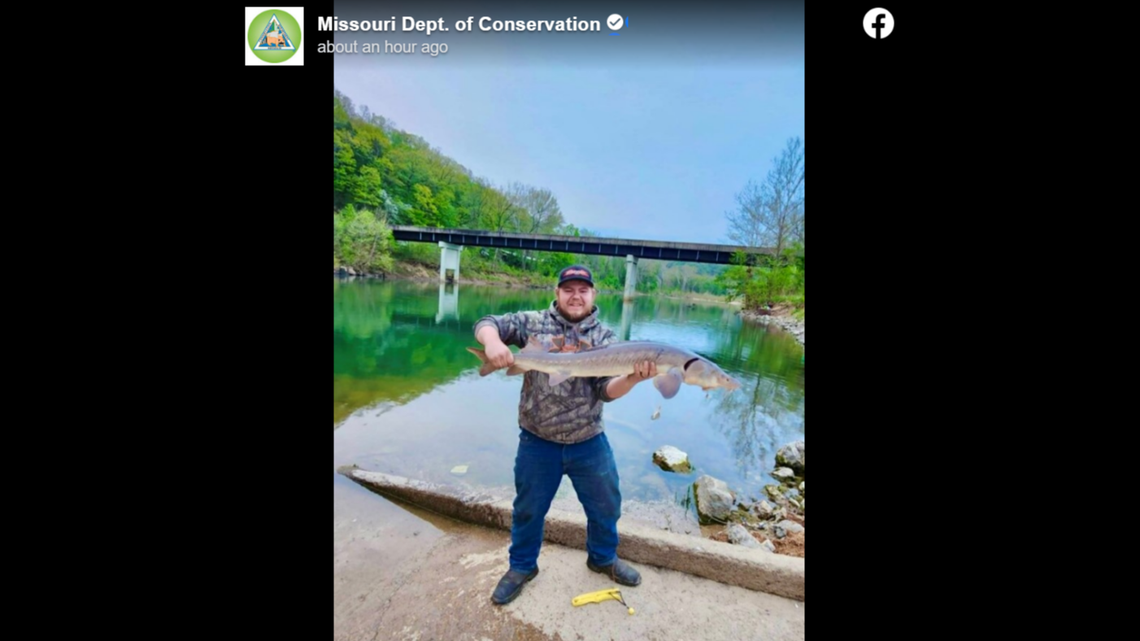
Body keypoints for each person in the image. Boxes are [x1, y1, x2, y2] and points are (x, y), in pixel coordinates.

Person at [473, 264, 658, 605]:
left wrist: (633, 378)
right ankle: (522, 566)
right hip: (537, 439)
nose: (576, 296)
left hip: (588, 439)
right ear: (557, 292)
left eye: (583, 290)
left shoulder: (606, 339)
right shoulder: (532, 323)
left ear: (593, 295)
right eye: (568, 289)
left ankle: (602, 558)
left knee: (607, 504)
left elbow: (606, 391)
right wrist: (494, 342)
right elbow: (486, 323)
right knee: (528, 508)